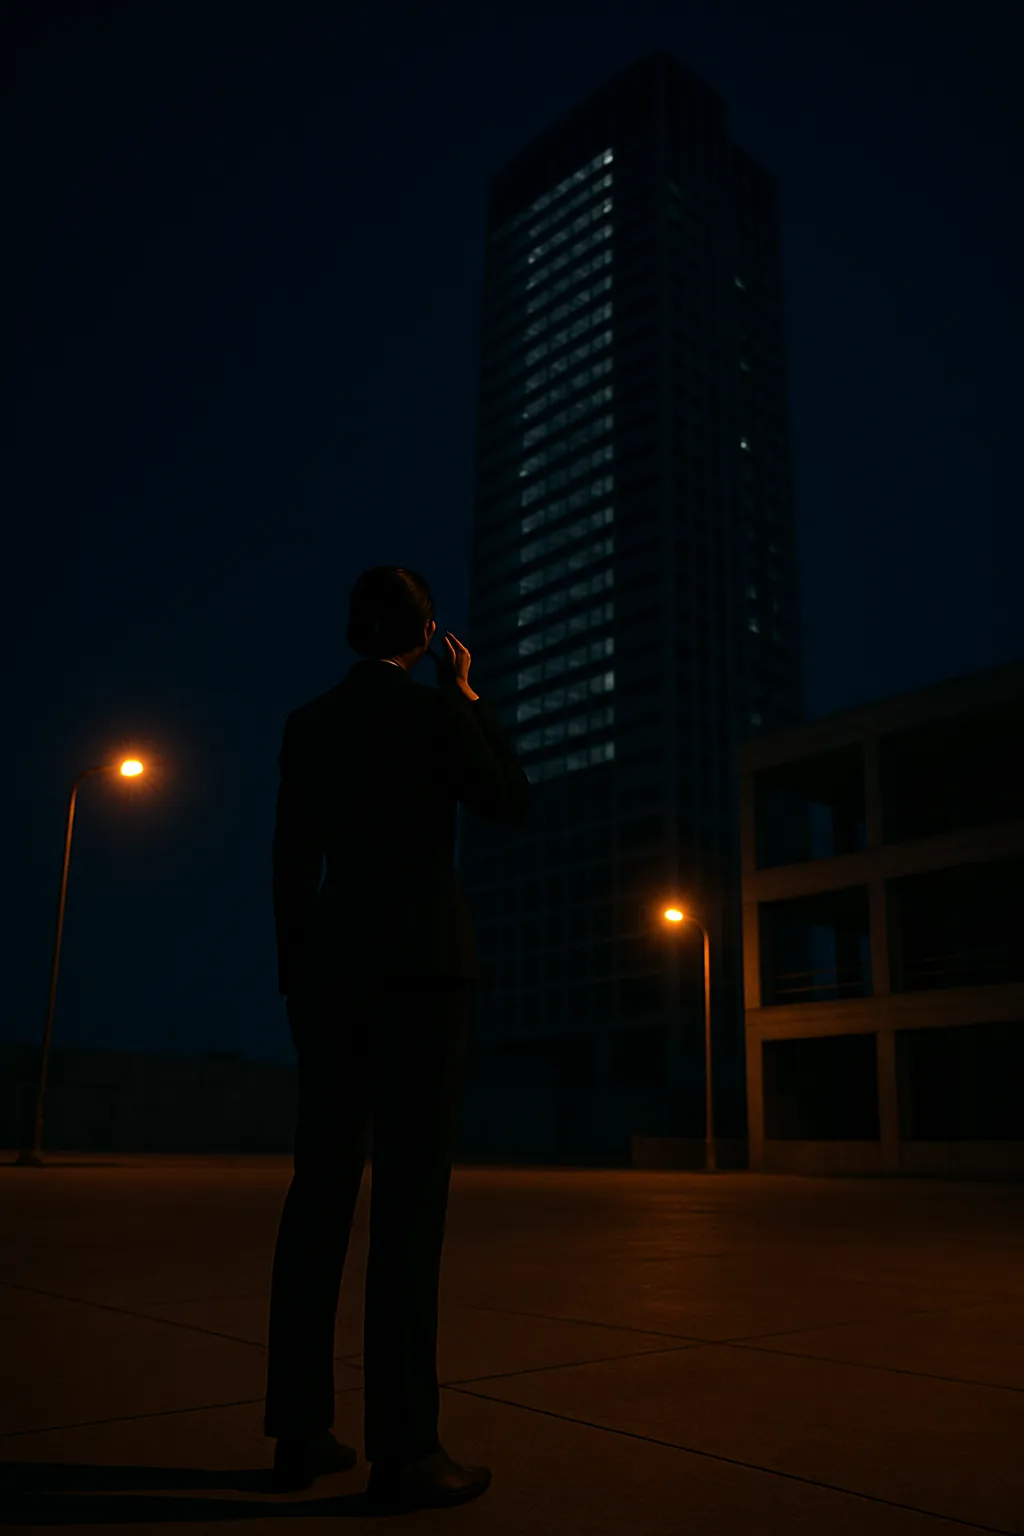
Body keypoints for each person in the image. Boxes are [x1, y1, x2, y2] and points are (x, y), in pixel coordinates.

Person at [264, 565, 531, 1510]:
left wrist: (298, 982)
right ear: (425, 636)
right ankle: (406, 1449)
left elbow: (292, 863)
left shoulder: (309, 724)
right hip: (424, 975)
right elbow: (509, 799)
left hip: (335, 978)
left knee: (319, 1196)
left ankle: (300, 1431)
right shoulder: (431, 716)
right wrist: (466, 700)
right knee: (409, 1210)